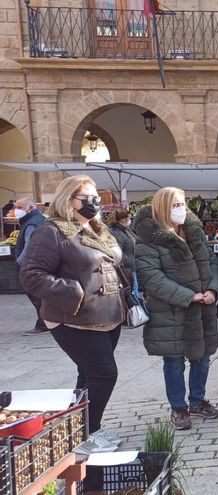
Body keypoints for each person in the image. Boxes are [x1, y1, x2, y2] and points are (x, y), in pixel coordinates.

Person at [19, 175, 126, 454]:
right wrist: (73, 292)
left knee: (88, 375)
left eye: (97, 199)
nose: (94, 204)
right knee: (104, 374)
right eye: (87, 198)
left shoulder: (97, 229)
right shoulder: (51, 231)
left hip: (108, 314)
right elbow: (31, 275)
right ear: (68, 199)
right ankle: (91, 429)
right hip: (74, 317)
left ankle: (79, 432)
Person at [134, 187, 218, 430]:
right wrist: (189, 296)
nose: (180, 208)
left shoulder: (194, 232)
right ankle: (178, 407)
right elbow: (152, 278)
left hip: (202, 308)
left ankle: (197, 400)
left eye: (182, 203)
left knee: (202, 357)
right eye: (174, 204)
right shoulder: (147, 240)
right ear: (162, 207)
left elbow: (212, 263)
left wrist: (213, 289)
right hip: (171, 311)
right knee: (173, 361)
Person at [13, 197, 49, 336]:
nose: (16, 210)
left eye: (20, 207)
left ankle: (44, 324)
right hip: (41, 265)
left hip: (32, 267)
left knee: (37, 296)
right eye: (16, 207)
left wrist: (20, 263)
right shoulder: (39, 220)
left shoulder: (31, 224)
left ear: (31, 208)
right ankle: (46, 322)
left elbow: (28, 247)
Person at [105, 208, 137, 284]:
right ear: (123, 219)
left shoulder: (126, 230)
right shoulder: (116, 232)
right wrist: (131, 264)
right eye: (128, 217)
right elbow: (119, 252)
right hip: (128, 269)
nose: (129, 220)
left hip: (133, 267)